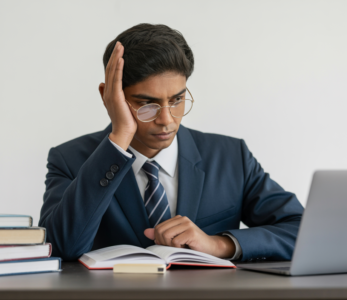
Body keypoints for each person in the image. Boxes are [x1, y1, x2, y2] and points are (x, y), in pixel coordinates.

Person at [39, 23, 304, 262]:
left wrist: (219, 244)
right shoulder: (69, 160)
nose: (166, 120)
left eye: (177, 100)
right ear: (108, 96)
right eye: (146, 104)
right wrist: (119, 138)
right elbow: (62, 247)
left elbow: (301, 230)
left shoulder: (231, 157)